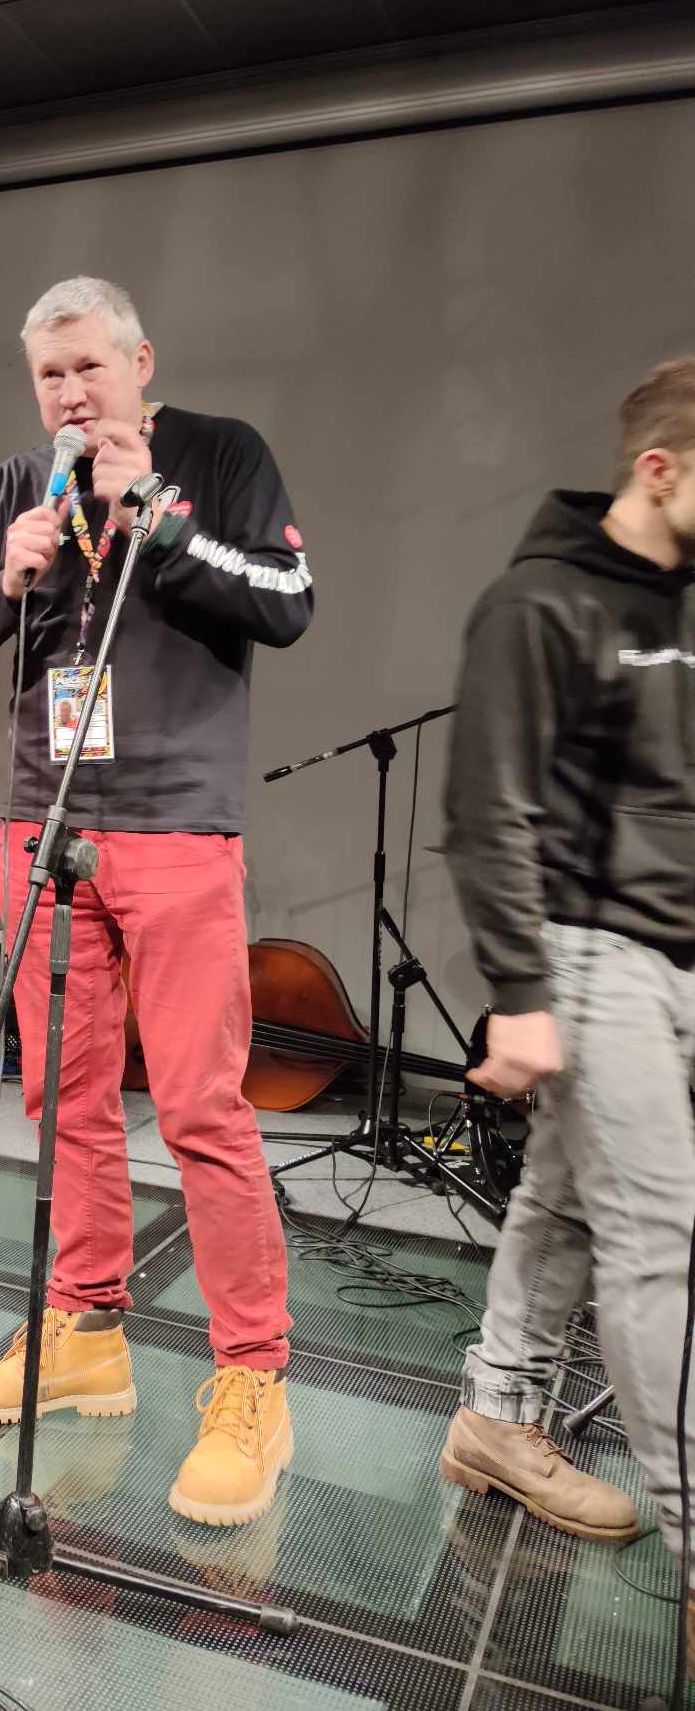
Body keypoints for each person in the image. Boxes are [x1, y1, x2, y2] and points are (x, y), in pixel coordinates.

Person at [0, 275, 313, 1526]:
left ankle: (251, 1375)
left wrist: (160, 520)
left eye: (89, 365)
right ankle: (85, 1329)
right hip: (45, 824)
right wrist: (8, 580)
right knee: (64, 1098)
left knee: (199, 1104)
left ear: (140, 362)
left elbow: (287, 603)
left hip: (177, 824)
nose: (70, 392)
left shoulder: (222, 456)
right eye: (50, 373)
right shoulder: (17, 484)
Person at [440, 358, 695, 1584]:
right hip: (596, 951)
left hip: (680, 946)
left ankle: (495, 1415)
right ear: (658, 470)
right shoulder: (538, 603)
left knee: (567, 1197)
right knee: (659, 1237)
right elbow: (486, 810)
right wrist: (523, 995)